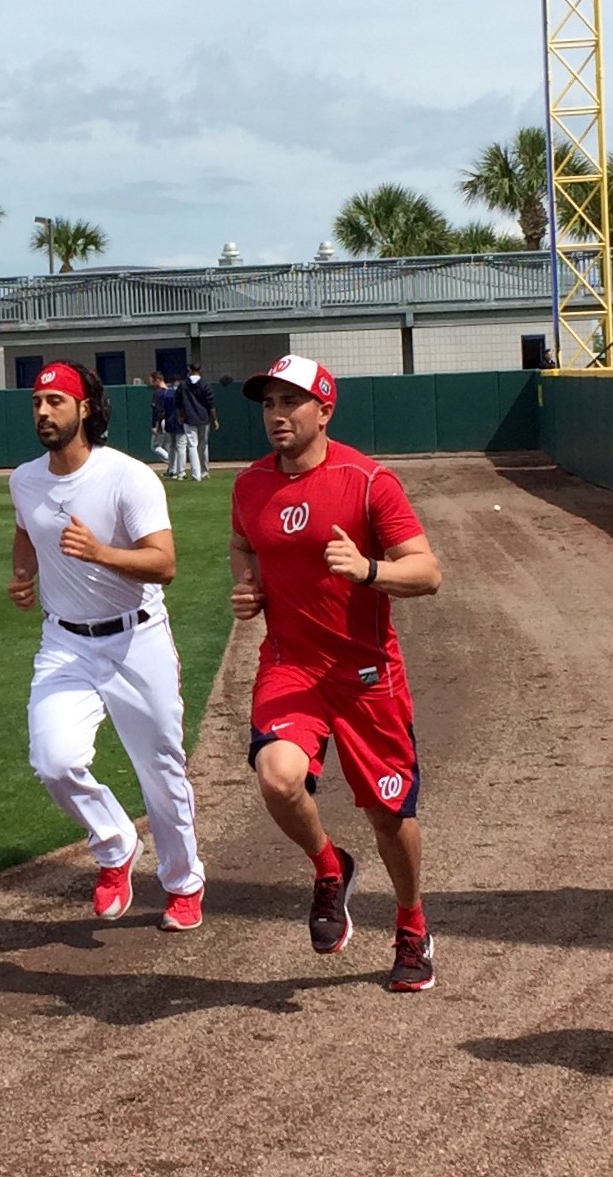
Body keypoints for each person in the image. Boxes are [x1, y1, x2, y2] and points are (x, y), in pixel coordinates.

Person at [229, 353, 443, 990]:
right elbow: (244, 542)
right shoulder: (249, 485)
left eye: (290, 403)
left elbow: (428, 573)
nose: (276, 416)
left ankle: (411, 922)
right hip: (291, 665)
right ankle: (329, 868)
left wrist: (370, 571)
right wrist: (249, 586)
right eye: (268, 404)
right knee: (277, 776)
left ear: (324, 411)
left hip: (365, 674)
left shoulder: (370, 482)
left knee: (388, 814)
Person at [8, 361, 206, 930]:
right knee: (54, 761)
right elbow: (25, 530)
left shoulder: (127, 477)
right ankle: (116, 844)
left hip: (136, 637)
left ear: (85, 408)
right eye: (37, 402)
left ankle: (183, 880)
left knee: (160, 767)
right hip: (64, 644)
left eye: (56, 401)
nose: (43, 412)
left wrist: (100, 553)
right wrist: (22, 575)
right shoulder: (25, 479)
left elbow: (163, 564)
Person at [173, 363, 219, 481]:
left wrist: (180, 416)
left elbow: (177, 402)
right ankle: (204, 471)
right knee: (203, 445)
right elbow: (211, 404)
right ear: (200, 370)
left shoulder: (183, 385)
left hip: (189, 418)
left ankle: (196, 474)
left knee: (192, 446)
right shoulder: (205, 385)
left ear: (189, 369)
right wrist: (215, 419)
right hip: (204, 418)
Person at [147, 371, 175, 467]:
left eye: (152, 381)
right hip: (170, 421)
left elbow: (157, 411)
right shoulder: (171, 391)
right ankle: (171, 469)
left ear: (158, 380)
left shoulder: (158, 393)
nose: (151, 383)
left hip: (161, 421)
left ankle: (173, 464)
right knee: (167, 446)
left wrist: (155, 425)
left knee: (155, 446)